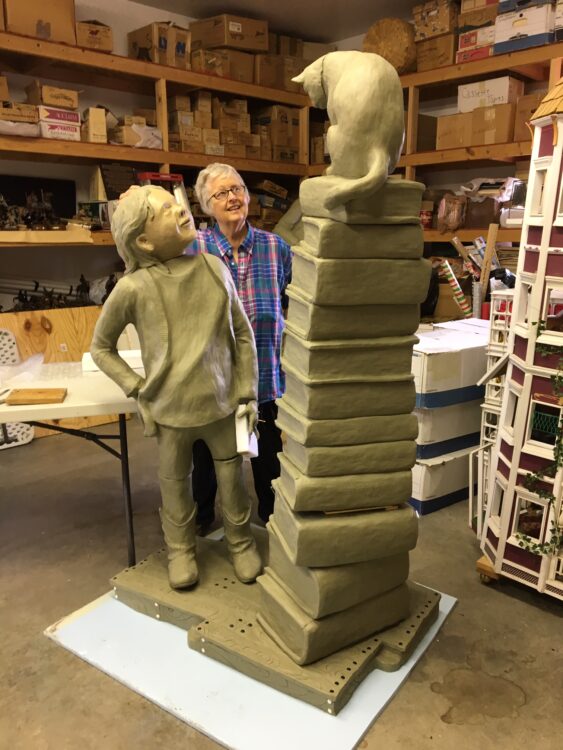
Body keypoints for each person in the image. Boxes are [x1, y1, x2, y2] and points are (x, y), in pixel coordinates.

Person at [90, 185, 262, 590]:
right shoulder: (132, 288)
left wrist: (247, 391)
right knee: (174, 486)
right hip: (169, 412)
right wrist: (138, 389)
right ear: (143, 241)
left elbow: (243, 334)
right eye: (166, 211)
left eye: (176, 204)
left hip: (222, 405)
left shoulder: (213, 268)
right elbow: (101, 347)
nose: (181, 212)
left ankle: (240, 541)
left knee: (233, 481)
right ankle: (181, 550)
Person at [188, 163, 292, 528]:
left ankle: (272, 520)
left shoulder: (275, 247)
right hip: (211, 379)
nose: (233, 197)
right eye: (221, 192)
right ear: (206, 205)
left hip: (264, 374)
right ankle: (201, 521)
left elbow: (290, 301)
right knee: (207, 458)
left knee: (268, 457)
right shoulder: (193, 249)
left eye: (238, 189)